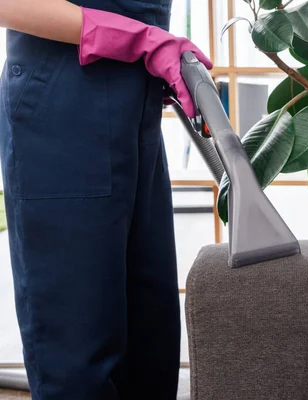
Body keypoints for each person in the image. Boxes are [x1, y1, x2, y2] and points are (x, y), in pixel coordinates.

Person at [0, 0, 212, 398]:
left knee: (151, 345)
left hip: (135, 109)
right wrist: (141, 40)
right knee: (79, 357)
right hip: (62, 110)